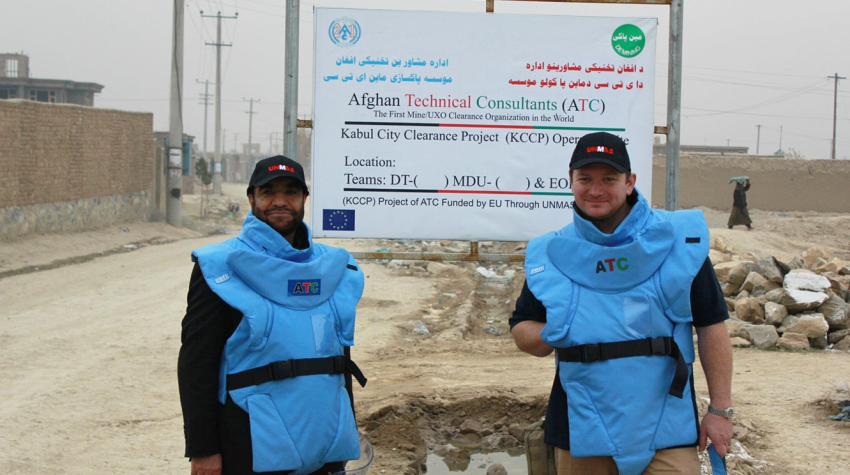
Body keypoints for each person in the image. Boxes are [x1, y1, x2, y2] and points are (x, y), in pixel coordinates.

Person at [510, 132, 734, 475]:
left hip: (667, 430)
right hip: (579, 429)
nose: (595, 190)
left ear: (630, 182)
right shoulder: (553, 254)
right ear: (570, 181)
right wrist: (557, 331)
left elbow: (712, 326)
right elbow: (522, 330)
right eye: (585, 179)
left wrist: (719, 410)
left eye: (609, 179)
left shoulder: (678, 244)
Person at [178, 155, 367, 475]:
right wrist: (203, 450)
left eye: (291, 192)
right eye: (268, 192)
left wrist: (343, 431)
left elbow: (337, 359)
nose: (280, 201)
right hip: (250, 445)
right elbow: (197, 364)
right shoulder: (220, 265)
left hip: (324, 445)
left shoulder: (332, 267)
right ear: (251, 198)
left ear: (305, 199)